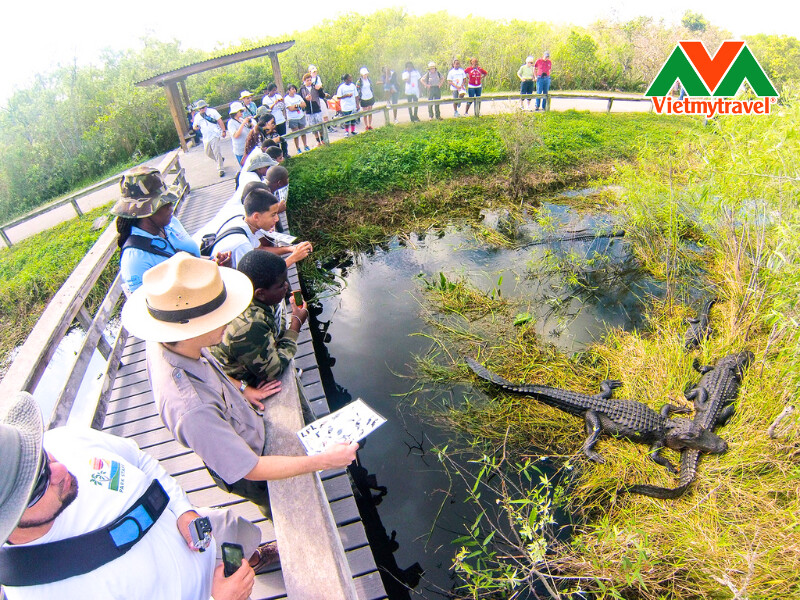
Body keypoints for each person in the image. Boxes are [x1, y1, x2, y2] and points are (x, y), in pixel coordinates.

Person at [122, 253, 359, 516]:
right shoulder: (192, 409)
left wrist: (242, 388)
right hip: (252, 469)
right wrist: (325, 460)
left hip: (248, 425)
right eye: (219, 317)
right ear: (191, 328)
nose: (231, 321)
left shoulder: (170, 340)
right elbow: (249, 468)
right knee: (285, 510)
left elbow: (212, 368)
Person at [0, 391, 273, 600]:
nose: (61, 470)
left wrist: (182, 510)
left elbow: (141, 461)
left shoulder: (66, 441)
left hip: (205, 535)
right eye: (37, 485)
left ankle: (255, 558)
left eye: (43, 457)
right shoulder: (43, 592)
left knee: (241, 541)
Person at [111, 166, 229, 296]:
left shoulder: (170, 223)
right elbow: (146, 306)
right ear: (144, 211)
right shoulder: (135, 261)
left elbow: (188, 260)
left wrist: (212, 262)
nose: (170, 205)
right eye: (163, 203)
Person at [212, 250, 307, 386]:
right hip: (243, 377)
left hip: (250, 349)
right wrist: (296, 324)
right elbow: (274, 372)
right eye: (281, 285)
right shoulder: (250, 325)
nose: (286, 286)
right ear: (261, 293)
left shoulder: (247, 291)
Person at [210, 183, 311, 269]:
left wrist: (290, 249)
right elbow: (262, 279)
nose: (277, 219)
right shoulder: (242, 245)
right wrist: (294, 257)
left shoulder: (242, 221)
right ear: (256, 216)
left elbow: (261, 249)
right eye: (273, 215)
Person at [192, 100, 227, 177]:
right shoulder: (197, 116)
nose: (202, 109)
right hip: (206, 137)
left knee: (216, 151)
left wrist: (223, 131)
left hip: (215, 134)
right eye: (200, 108)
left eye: (203, 107)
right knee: (208, 153)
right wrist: (196, 127)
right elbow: (194, 126)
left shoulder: (212, 111)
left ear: (206, 106)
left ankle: (220, 169)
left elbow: (220, 121)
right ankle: (220, 159)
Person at [261, 84, 289, 159]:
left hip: (281, 120)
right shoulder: (265, 99)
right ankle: (277, 156)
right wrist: (274, 103)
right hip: (272, 123)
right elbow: (267, 110)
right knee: (275, 140)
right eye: (273, 90)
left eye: (275, 90)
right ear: (269, 91)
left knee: (283, 137)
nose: (274, 92)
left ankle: (285, 153)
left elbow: (282, 107)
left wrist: (282, 102)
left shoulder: (278, 96)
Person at [300, 72, 325, 147]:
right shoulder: (302, 89)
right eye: (307, 80)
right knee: (313, 127)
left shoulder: (315, 87)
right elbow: (300, 99)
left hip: (316, 108)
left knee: (320, 125)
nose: (309, 82)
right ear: (304, 81)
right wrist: (306, 99)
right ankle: (317, 141)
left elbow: (322, 96)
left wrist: (320, 89)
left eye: (310, 80)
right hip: (308, 110)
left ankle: (322, 139)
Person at [284, 85, 309, 154]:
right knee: (295, 134)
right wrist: (298, 106)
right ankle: (298, 148)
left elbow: (304, 104)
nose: (294, 90)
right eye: (292, 89)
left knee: (303, 132)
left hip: (301, 116)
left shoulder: (298, 96)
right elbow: (290, 109)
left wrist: (296, 106)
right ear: (289, 90)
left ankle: (305, 145)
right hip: (293, 118)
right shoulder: (287, 99)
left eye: (295, 89)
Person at [226, 102, 253, 166]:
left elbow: (249, 130)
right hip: (240, 150)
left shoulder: (241, 119)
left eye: (242, 110)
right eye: (240, 111)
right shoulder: (231, 123)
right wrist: (243, 123)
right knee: (245, 168)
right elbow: (236, 135)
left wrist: (249, 123)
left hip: (248, 147)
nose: (242, 112)